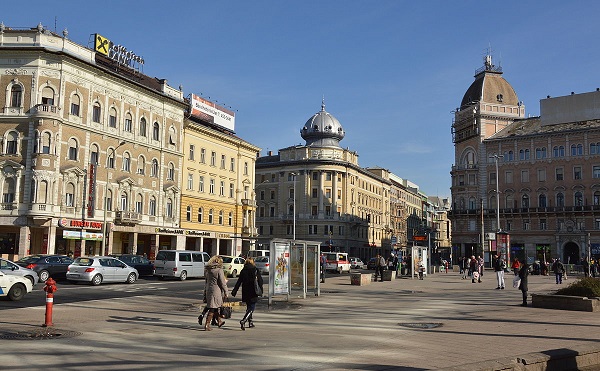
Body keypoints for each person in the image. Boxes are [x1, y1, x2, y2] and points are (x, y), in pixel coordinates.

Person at [232, 257, 264, 331]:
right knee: (252, 307)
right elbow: (260, 281)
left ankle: (250, 322)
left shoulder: (243, 271)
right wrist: (261, 289)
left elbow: (239, 282)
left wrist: (234, 291)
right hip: (253, 291)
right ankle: (244, 320)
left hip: (246, 291)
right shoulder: (255, 270)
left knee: (249, 306)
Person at [202, 255, 228, 331]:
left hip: (209, 289)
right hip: (216, 290)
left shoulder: (208, 269)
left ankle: (219, 321)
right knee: (212, 308)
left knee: (215, 307)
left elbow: (206, 280)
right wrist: (226, 291)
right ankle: (207, 324)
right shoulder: (219, 270)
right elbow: (222, 282)